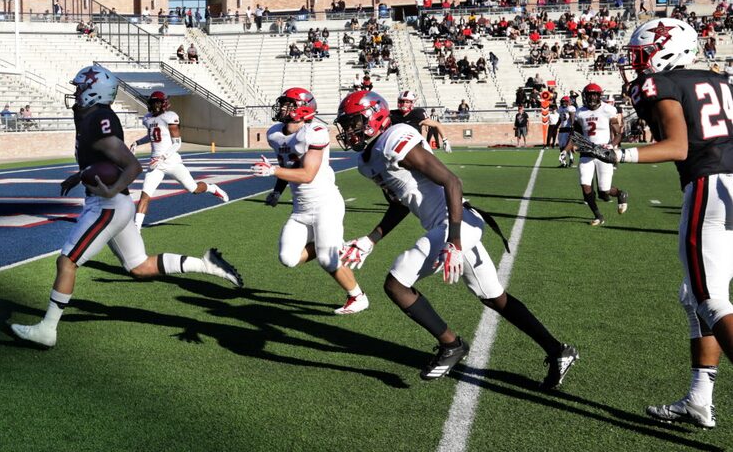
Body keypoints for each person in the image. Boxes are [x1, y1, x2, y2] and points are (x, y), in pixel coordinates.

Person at [334, 90, 578, 383]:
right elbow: (401, 203)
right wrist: (371, 239)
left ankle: (451, 344)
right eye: (346, 124)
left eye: (354, 122)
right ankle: (558, 350)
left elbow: (452, 180)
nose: (349, 130)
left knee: (396, 284)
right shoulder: (367, 161)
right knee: (493, 296)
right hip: (451, 227)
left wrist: (455, 241)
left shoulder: (395, 138)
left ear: (375, 115)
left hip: (458, 224)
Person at [10, 65, 242, 348]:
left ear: (94, 91)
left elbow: (130, 165)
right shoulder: (91, 116)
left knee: (67, 261)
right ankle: (205, 265)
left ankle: (47, 329)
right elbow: (101, 159)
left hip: (107, 204)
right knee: (139, 267)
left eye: (80, 87)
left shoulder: (99, 118)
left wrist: (112, 188)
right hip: (115, 204)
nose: (76, 92)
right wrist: (81, 174)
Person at [580, 18, 733, 428]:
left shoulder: (662, 85)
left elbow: (678, 146)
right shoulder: (721, 81)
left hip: (709, 187)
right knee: (695, 297)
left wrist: (620, 155)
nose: (638, 64)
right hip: (729, 185)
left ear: (668, 50)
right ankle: (700, 399)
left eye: (642, 54)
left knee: (709, 299)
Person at [249, 88, 369, 315]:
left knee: (327, 260)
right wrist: (277, 191)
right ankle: (335, 244)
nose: (283, 108)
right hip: (301, 208)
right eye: (283, 103)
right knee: (288, 258)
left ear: (303, 108)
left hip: (325, 203)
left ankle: (358, 297)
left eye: (289, 104)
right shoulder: (275, 133)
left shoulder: (315, 131)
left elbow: (307, 174)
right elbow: (288, 165)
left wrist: (273, 171)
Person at [129, 91, 228, 230]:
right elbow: (152, 136)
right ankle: (137, 229)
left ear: (163, 104)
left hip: (172, 161)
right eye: (154, 103)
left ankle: (212, 188)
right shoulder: (147, 118)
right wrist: (137, 142)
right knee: (145, 195)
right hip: (155, 164)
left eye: (158, 102)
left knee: (193, 188)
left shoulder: (170, 117)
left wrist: (162, 157)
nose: (156, 106)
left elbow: (177, 143)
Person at [565, 83, 629, 226]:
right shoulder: (580, 112)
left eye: (594, 94)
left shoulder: (608, 109)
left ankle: (621, 194)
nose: (592, 97)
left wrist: (612, 145)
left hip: (603, 152)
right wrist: (568, 148)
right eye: (589, 94)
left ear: (599, 96)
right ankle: (598, 216)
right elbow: (575, 134)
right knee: (585, 185)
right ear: (585, 96)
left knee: (604, 190)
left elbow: (619, 133)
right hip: (587, 152)